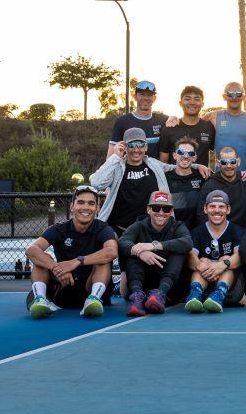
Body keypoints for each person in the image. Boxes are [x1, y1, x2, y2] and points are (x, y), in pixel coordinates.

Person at [24, 185, 115, 319]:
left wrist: (77, 261)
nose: (86, 207)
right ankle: (40, 299)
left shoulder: (103, 228)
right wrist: (56, 268)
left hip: (90, 286)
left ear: (97, 208)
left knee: (103, 260)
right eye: (81, 202)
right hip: (64, 286)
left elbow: (111, 251)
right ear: (72, 206)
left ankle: (94, 299)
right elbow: (31, 250)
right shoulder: (59, 229)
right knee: (42, 259)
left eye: (91, 203)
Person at [118, 191, 194, 316]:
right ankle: (137, 296)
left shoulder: (178, 226)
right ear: (148, 210)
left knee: (178, 252)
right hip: (142, 282)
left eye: (166, 209)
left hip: (169, 288)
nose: (161, 213)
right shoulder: (138, 226)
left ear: (171, 211)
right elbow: (122, 243)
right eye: (156, 208)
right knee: (134, 251)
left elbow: (188, 242)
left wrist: (154, 246)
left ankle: (160, 293)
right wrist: (140, 252)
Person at [91, 127, 173, 236]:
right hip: (118, 228)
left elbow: (177, 169)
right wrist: (115, 156)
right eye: (131, 145)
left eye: (140, 145)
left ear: (146, 147)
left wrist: (195, 166)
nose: (136, 150)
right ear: (125, 147)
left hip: (148, 231)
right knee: (111, 246)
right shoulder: (116, 166)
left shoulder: (154, 165)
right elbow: (96, 183)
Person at [184, 190, 244, 314]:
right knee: (202, 260)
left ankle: (219, 294)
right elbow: (190, 257)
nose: (217, 210)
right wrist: (202, 266)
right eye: (212, 206)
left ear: (228, 209)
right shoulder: (197, 232)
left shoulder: (237, 230)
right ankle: (195, 294)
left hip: (230, 293)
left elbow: (240, 256)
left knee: (226, 258)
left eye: (221, 206)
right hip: (204, 286)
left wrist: (222, 265)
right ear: (205, 209)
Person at [197, 147, 246, 227]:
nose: (229, 166)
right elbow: (201, 215)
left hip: (242, 230)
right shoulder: (209, 185)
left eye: (232, 162)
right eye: (224, 162)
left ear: (238, 162)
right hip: (217, 230)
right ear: (218, 163)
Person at [108, 80, 169, 158]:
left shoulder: (163, 120)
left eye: (149, 95)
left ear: (154, 98)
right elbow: (110, 157)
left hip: (156, 166)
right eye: (142, 94)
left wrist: (173, 118)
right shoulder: (122, 122)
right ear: (135, 97)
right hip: (129, 166)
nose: (146, 98)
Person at [204, 82, 246, 170]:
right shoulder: (212, 117)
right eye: (230, 94)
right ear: (224, 96)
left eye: (238, 94)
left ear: (244, 97)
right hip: (221, 176)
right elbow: (195, 128)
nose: (234, 97)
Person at [159, 85, 215, 166]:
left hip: (202, 174)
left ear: (202, 104)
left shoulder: (209, 127)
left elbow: (220, 152)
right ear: (180, 103)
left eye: (197, 99)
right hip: (174, 174)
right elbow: (163, 161)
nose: (192, 102)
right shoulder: (169, 128)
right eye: (187, 99)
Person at [164, 137, 203, 229]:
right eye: (181, 152)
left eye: (190, 153)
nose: (185, 156)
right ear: (174, 155)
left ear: (194, 158)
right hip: (172, 231)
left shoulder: (202, 177)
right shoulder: (164, 178)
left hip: (196, 231)